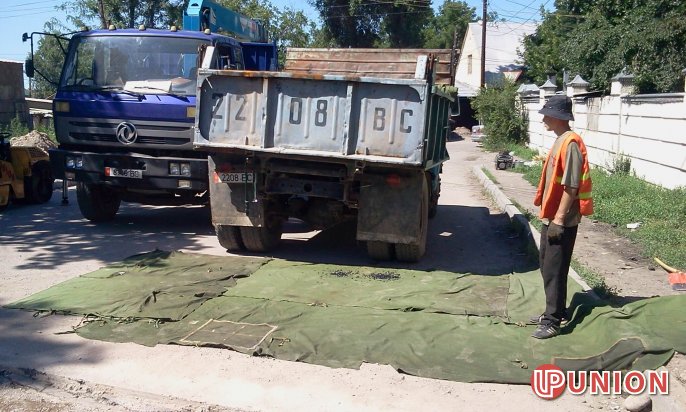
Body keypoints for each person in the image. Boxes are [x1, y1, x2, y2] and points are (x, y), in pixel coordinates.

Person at [531, 95, 593, 339]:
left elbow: (571, 187)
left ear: (558, 117)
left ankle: (553, 321)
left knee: (555, 269)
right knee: (548, 266)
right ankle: (555, 310)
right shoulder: (560, 140)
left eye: (547, 114)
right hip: (552, 217)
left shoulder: (571, 144)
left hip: (562, 220)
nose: (543, 118)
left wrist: (558, 219)